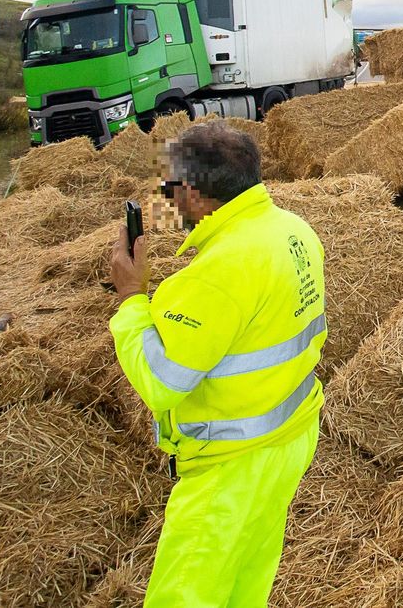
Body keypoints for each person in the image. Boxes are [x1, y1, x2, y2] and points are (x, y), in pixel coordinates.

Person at [107, 121, 326, 608]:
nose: (164, 201)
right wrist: (183, 223)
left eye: (171, 191)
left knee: (186, 597)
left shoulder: (217, 275)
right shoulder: (295, 231)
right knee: (245, 583)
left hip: (230, 465)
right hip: (288, 438)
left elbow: (163, 382)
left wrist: (130, 299)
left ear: (194, 194)